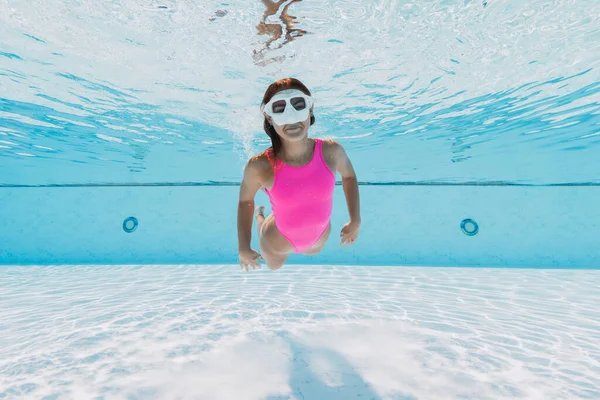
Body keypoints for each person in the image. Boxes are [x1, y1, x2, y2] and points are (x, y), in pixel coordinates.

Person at [237, 78, 361, 271]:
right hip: (275, 243)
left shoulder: (331, 151)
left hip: (318, 240)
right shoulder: (259, 166)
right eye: (279, 108)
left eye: (298, 104)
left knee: (312, 251)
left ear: (310, 109)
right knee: (274, 267)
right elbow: (245, 201)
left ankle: (266, 213)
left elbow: (349, 176)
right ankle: (260, 216)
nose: (291, 117)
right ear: (269, 117)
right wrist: (243, 247)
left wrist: (355, 219)